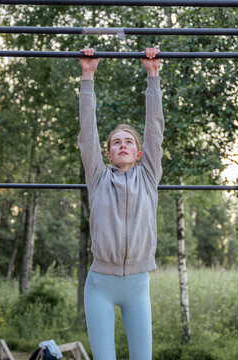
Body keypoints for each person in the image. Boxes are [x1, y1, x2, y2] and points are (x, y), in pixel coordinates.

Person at [78, 47, 164, 360]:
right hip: (100, 285)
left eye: (129, 141)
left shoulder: (149, 175)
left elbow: (154, 130)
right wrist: (88, 76)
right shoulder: (98, 177)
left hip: (138, 286)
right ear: (109, 153)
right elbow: (87, 135)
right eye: (117, 142)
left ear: (139, 154)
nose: (123, 145)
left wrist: (152, 76)